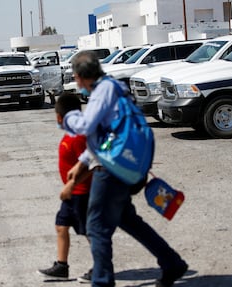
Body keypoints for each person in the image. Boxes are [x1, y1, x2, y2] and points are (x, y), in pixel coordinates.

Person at [62, 50, 188, 287]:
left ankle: (102, 281)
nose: (76, 82)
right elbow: (109, 134)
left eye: (76, 76)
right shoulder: (112, 87)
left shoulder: (102, 91)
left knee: (96, 227)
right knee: (128, 220)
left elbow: (87, 126)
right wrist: (83, 161)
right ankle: (172, 263)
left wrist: (68, 117)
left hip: (111, 169)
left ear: (81, 76)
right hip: (122, 163)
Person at [37, 92, 93, 283]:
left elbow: (90, 165)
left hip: (81, 193)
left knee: (89, 232)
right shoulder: (71, 134)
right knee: (61, 226)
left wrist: (72, 184)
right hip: (71, 195)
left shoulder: (79, 137)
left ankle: (101, 266)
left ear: (61, 117)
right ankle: (62, 266)